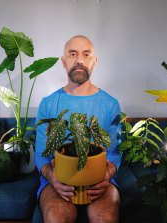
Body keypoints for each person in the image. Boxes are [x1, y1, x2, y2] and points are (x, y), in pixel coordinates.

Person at [34, 35, 122, 223]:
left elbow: (114, 153)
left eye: (86, 54)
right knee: (57, 217)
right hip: (59, 178)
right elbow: (42, 154)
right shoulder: (48, 104)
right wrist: (53, 178)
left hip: (98, 179)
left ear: (94, 61)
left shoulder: (110, 104)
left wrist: (106, 175)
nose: (79, 60)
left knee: (104, 217)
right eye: (72, 54)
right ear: (64, 62)